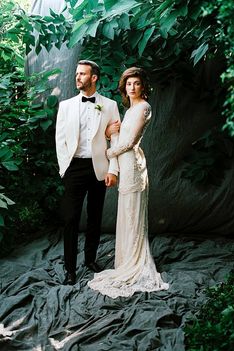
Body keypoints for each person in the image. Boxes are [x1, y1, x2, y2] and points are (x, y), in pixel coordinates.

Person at [88, 67, 169, 298]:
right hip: (124, 164)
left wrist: (108, 152)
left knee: (133, 213)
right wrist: (109, 132)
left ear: (143, 86)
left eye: (136, 84)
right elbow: (122, 135)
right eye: (129, 84)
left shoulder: (144, 107)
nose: (132, 87)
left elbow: (130, 142)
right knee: (126, 212)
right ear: (124, 87)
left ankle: (135, 263)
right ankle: (125, 261)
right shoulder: (131, 108)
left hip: (132, 164)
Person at [55, 60, 120, 285]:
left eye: (82, 74)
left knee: (95, 216)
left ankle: (90, 259)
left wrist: (113, 169)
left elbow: (116, 140)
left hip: (99, 167)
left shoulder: (110, 105)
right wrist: (65, 168)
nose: (78, 77)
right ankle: (70, 269)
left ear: (94, 78)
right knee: (70, 218)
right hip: (74, 167)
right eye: (77, 73)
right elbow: (60, 140)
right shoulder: (65, 106)